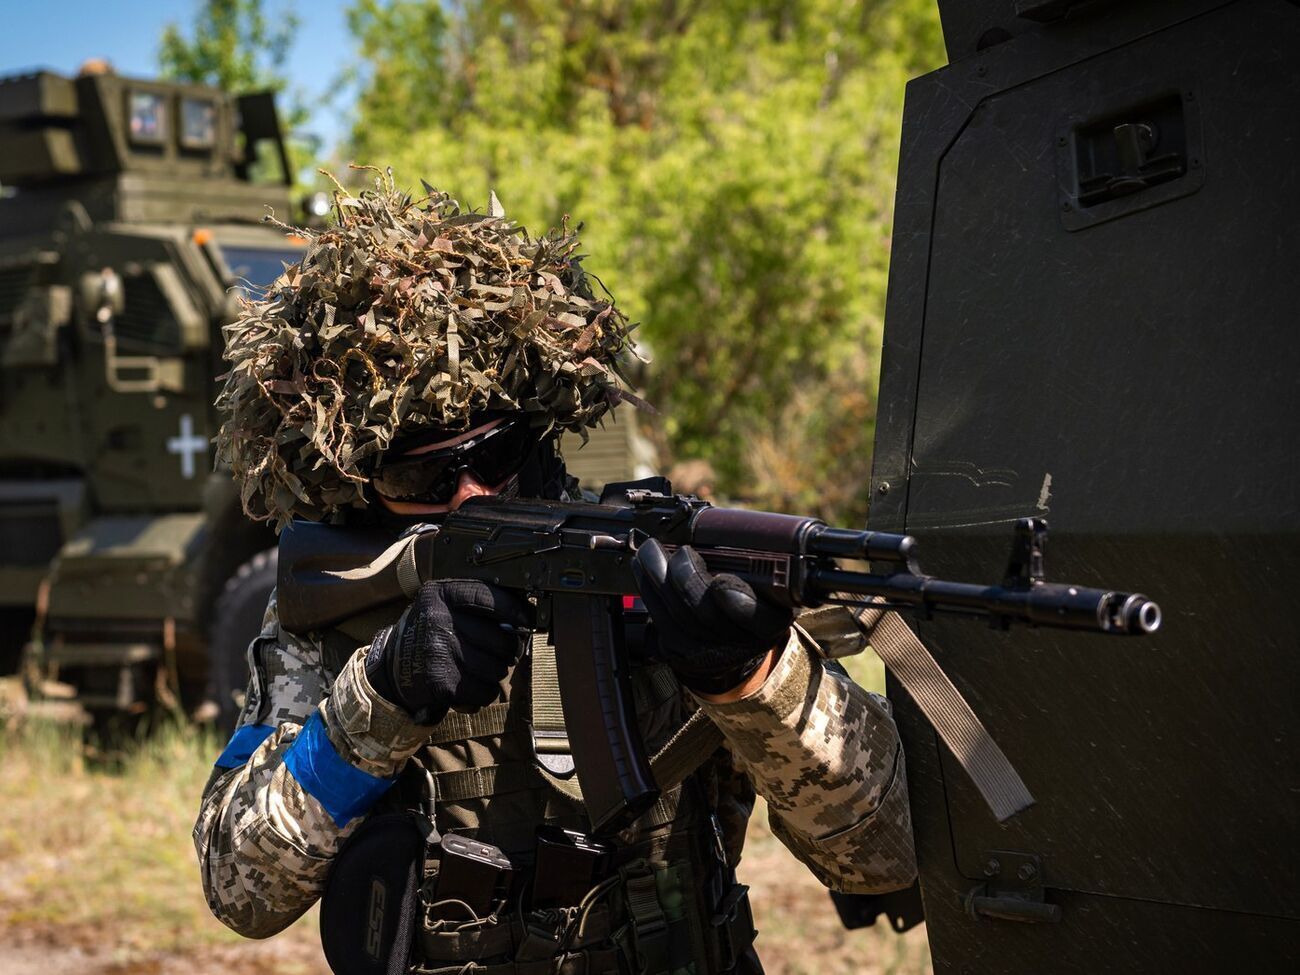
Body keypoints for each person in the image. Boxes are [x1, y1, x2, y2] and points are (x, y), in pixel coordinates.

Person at [195, 174, 916, 974]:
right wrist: (383, 697)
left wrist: (754, 680)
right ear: (366, 486)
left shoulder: (675, 568)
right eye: (421, 482)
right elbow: (241, 887)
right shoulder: (349, 611)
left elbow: (888, 855)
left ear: (541, 435)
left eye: (495, 457)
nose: (469, 497)